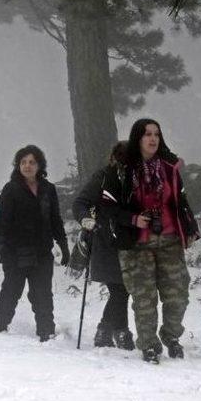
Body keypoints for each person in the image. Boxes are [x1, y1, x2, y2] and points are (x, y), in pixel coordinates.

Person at [116, 119, 199, 363]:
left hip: (170, 239)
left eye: (156, 134)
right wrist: (132, 219)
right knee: (145, 298)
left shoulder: (169, 167)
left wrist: (190, 226)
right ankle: (149, 344)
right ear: (137, 138)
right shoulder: (122, 169)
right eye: (147, 134)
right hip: (136, 243)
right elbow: (109, 206)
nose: (152, 139)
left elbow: (180, 201)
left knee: (178, 295)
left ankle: (171, 336)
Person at [0, 145, 70, 342]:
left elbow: (55, 219)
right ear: (17, 165)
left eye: (32, 162)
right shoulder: (11, 189)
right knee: (11, 289)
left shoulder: (48, 189)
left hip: (42, 251)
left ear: (39, 165)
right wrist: (0, 245)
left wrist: (63, 244)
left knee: (43, 293)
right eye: (23, 162)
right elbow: (2, 220)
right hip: (15, 251)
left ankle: (46, 331)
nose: (27, 166)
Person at [72, 141, 135, 350]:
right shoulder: (103, 177)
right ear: (113, 158)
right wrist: (85, 220)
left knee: (122, 289)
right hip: (106, 241)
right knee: (120, 289)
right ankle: (111, 331)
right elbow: (80, 203)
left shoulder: (141, 179)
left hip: (129, 242)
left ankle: (112, 331)